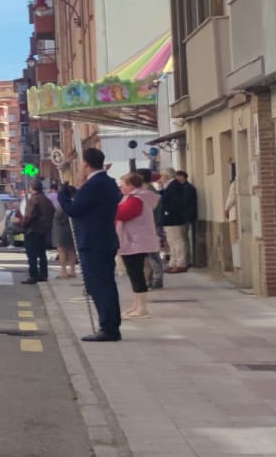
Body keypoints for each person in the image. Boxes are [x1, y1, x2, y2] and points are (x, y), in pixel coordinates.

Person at [61, 146, 124, 343]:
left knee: (99, 285)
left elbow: (74, 209)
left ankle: (108, 327)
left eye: (81, 164)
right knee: (107, 284)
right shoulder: (108, 182)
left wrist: (63, 196)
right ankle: (111, 324)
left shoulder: (94, 184)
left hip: (93, 241)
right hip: (104, 238)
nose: (79, 167)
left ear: (86, 164)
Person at [116, 173, 161, 320]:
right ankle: (136, 305)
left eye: (123, 184)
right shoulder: (134, 198)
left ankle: (142, 308)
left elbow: (121, 214)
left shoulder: (136, 199)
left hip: (135, 241)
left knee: (136, 274)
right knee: (133, 273)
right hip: (134, 240)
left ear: (131, 185)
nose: (121, 187)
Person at [158, 169, 198, 273]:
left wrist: (168, 212)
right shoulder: (170, 186)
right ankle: (173, 262)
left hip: (174, 218)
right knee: (172, 242)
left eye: (161, 176)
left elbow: (175, 203)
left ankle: (181, 263)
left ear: (166, 176)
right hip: (171, 219)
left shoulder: (174, 186)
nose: (160, 178)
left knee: (177, 241)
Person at [19, 179, 54, 285]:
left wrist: (23, 224)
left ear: (32, 188)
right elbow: (52, 212)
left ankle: (33, 275)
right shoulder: (46, 199)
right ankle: (43, 274)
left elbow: (29, 215)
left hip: (33, 230)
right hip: (44, 231)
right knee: (42, 254)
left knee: (32, 255)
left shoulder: (33, 199)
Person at [50, 181, 78, 279]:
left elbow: (57, 217)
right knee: (71, 250)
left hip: (61, 231)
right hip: (71, 230)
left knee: (62, 251)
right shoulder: (74, 203)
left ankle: (63, 271)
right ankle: (72, 270)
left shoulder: (63, 205)